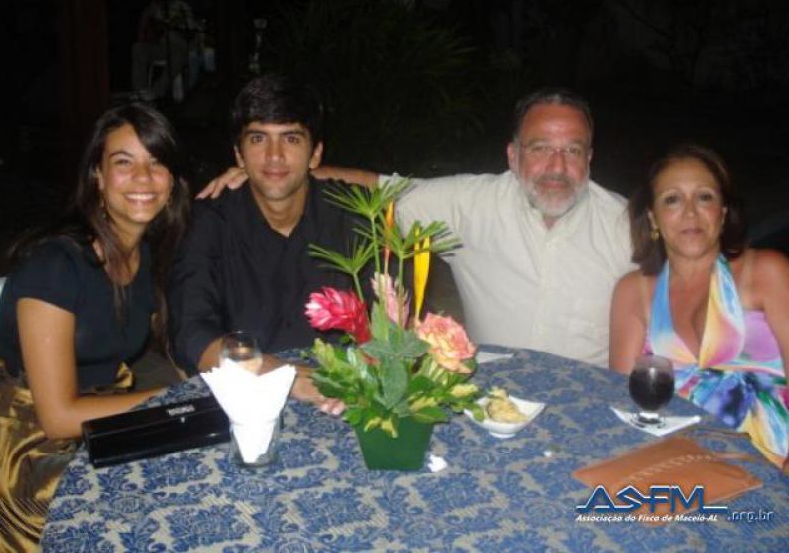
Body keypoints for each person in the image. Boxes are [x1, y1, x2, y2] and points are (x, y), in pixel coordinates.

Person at [200, 88, 634, 366]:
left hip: (586, 403)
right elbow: (379, 188)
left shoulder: (627, 226)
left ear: (590, 158)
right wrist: (276, 176)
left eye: (572, 150)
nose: (556, 167)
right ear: (513, 156)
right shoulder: (475, 204)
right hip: (493, 399)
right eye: (540, 148)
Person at [0, 103, 191, 551]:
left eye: (157, 162)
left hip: (96, 422)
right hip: (23, 444)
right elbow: (58, 417)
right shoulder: (55, 266)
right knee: (143, 519)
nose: (143, 178)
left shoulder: (144, 254)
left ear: (173, 180)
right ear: (97, 175)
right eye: (124, 162)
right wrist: (176, 398)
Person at [169, 74, 367, 413]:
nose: (274, 156)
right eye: (258, 138)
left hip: (345, 397)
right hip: (244, 397)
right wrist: (285, 376)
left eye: (291, 138)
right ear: (239, 154)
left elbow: (390, 327)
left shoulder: (356, 218)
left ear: (315, 154)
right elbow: (192, 335)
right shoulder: (207, 222)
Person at [609, 144, 789, 468]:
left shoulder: (767, 272)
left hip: (774, 468)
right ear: (652, 217)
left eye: (704, 197)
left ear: (722, 212)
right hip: (676, 467)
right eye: (672, 199)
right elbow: (623, 401)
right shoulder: (633, 292)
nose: (690, 212)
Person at [130, 0, 199, 101]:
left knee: (178, 57)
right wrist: (149, 24)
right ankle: (140, 91)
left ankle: (156, 91)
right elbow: (144, 34)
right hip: (161, 47)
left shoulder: (181, 6)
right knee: (138, 48)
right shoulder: (152, 9)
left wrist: (176, 26)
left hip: (179, 46)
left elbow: (191, 32)